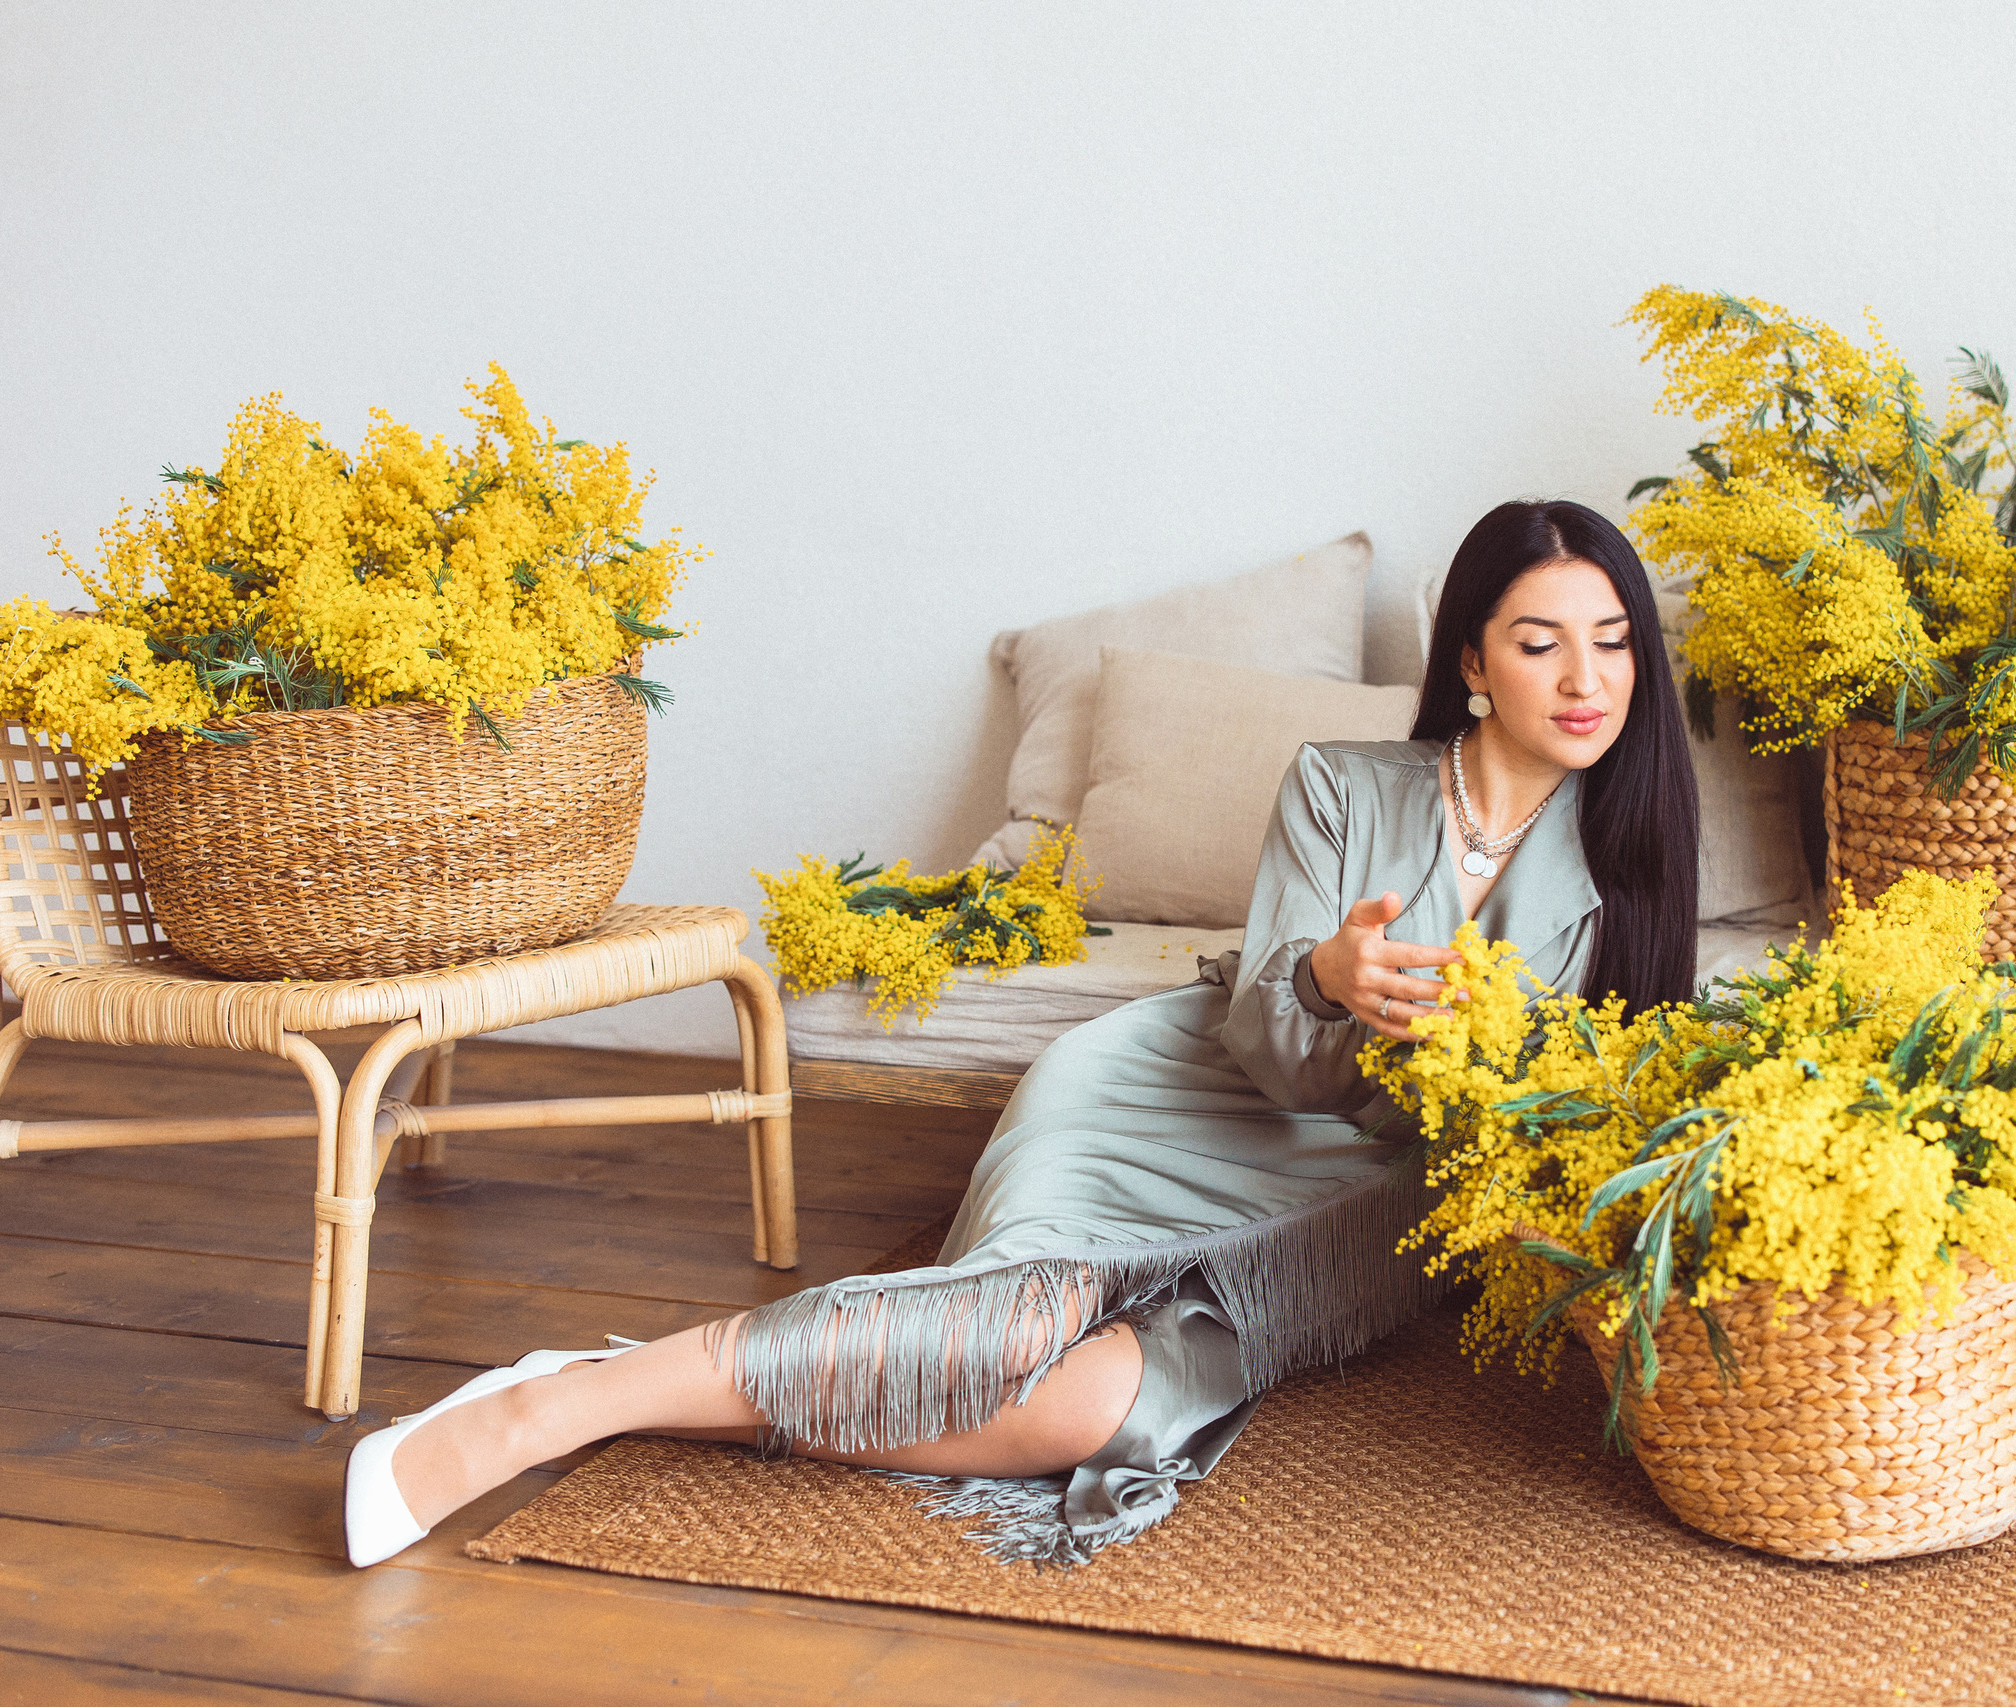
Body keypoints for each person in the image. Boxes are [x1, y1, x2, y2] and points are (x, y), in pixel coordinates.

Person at [343, 498, 1701, 1568]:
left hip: (1347, 1204)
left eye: (1612, 641)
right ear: (1472, 658)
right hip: (1178, 1099)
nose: (1587, 678)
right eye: (1541, 641)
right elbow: (1259, 1034)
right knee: (1009, 1324)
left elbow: (1562, 1142)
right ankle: (554, 1406)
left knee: (1087, 1415)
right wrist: (1329, 985)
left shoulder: (1627, 868)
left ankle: (702, 1387)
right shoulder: (1343, 786)